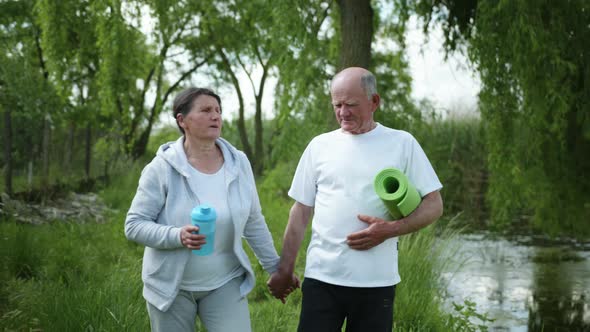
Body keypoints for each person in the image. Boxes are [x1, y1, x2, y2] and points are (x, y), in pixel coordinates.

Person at [267, 67, 444, 331]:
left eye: (351, 104)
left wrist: (390, 230)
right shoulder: (319, 146)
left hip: (376, 283)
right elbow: (301, 211)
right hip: (322, 279)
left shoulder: (402, 143)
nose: (343, 112)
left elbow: (434, 204)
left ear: (374, 101)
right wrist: (285, 269)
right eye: (337, 104)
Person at [125, 87, 290, 332]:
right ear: (182, 121)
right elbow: (134, 225)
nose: (215, 116)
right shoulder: (161, 168)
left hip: (225, 282)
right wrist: (177, 235)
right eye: (205, 110)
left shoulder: (239, 163)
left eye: (218, 111)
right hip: (171, 288)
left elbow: (253, 221)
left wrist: (277, 269)